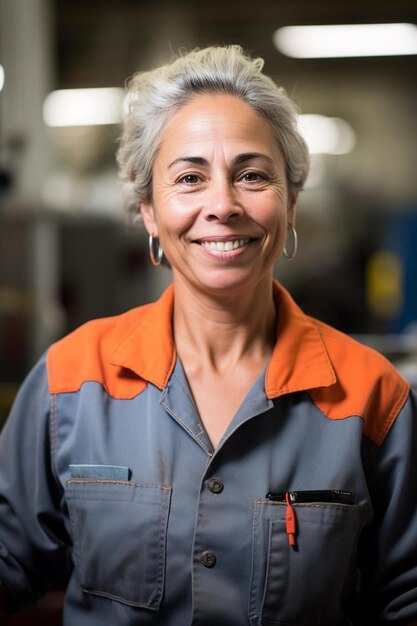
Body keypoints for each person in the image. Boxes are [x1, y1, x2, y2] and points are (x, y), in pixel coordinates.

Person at [0, 45, 417, 626]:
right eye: (190, 178)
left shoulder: (374, 397)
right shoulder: (70, 380)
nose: (222, 205)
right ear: (148, 209)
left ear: (291, 202)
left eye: (251, 176)